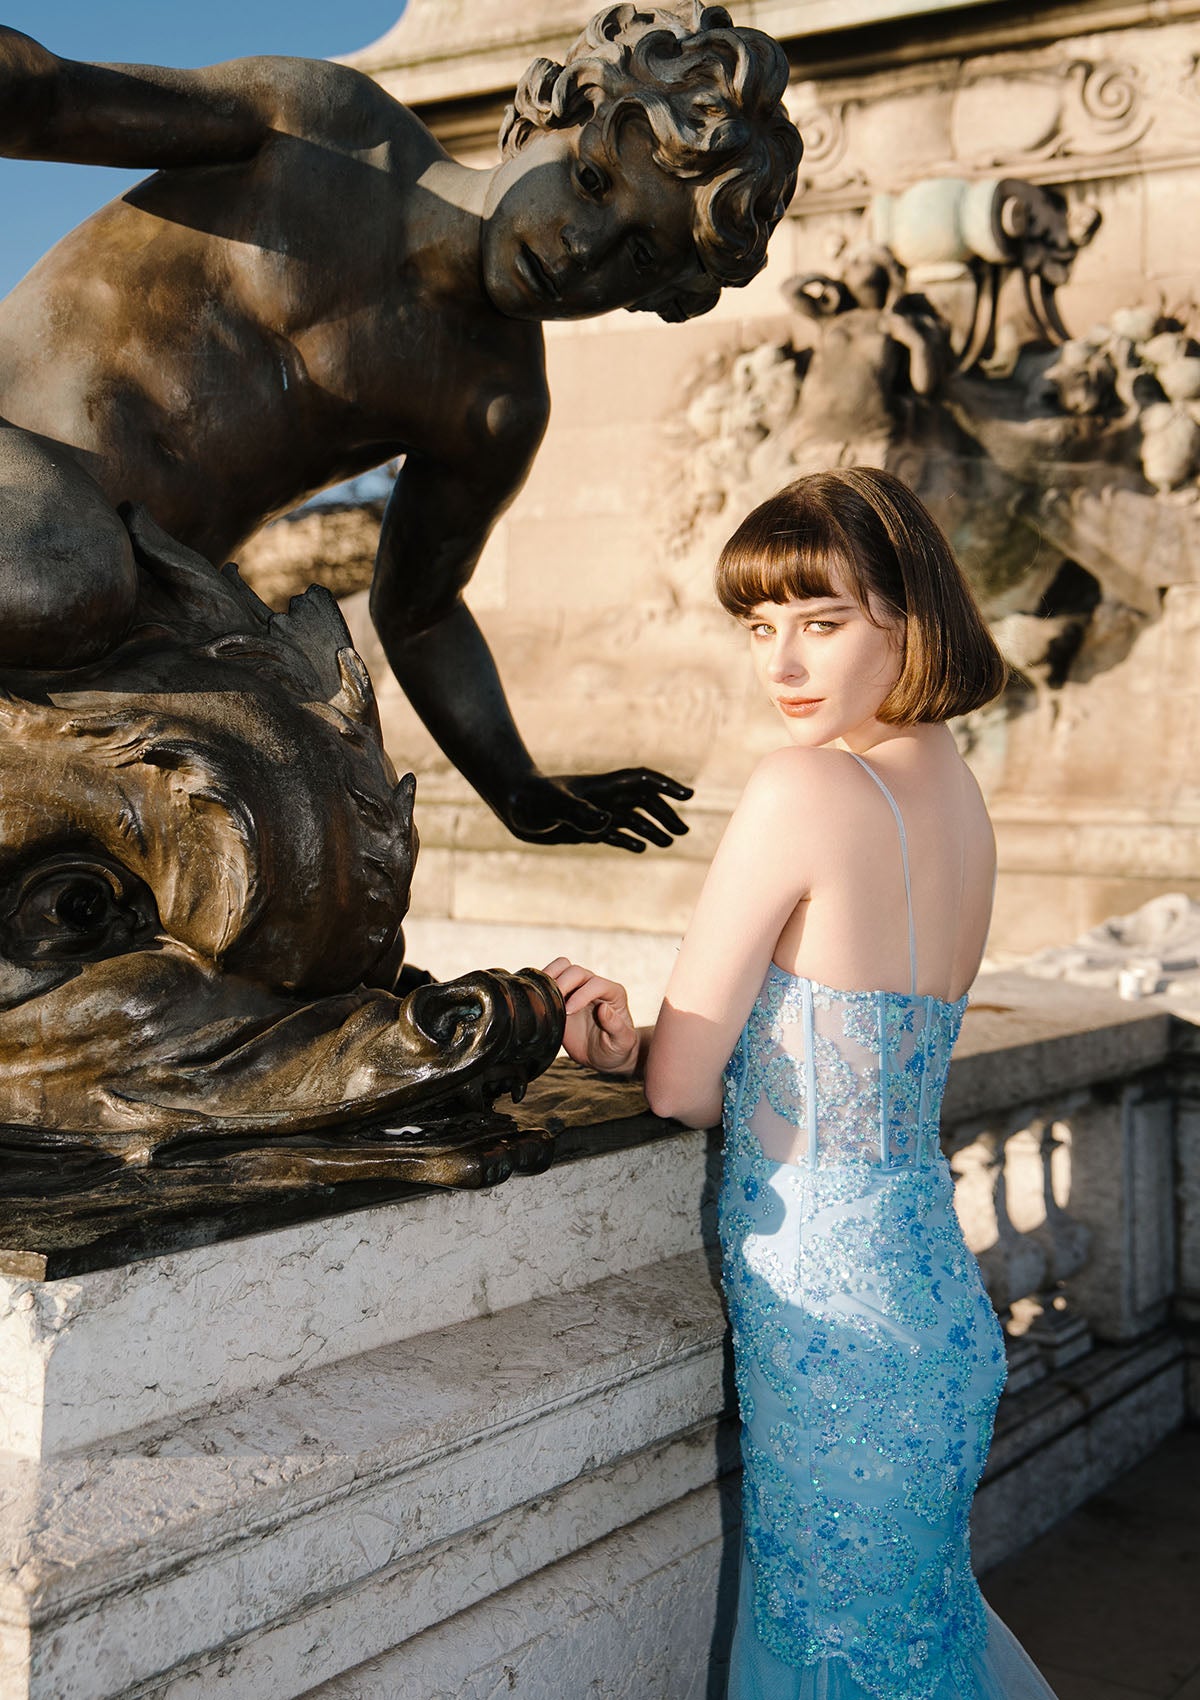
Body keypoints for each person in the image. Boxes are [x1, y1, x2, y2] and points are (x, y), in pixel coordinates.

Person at [0, 4, 800, 853]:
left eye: (639, 255)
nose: (582, 247)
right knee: (68, 580)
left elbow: (420, 614)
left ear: (659, 294)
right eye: (592, 181)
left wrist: (517, 783)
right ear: (553, 117)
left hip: (136, 607)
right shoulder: (332, 128)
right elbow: (52, 101)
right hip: (30, 486)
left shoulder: (493, 407)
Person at [546, 467, 1059, 1697]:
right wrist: (655, 1045)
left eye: (822, 621)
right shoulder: (959, 794)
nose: (782, 661)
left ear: (911, 618)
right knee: (913, 1639)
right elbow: (839, 1064)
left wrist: (631, 1045)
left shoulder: (804, 786)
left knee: (838, 1653)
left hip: (833, 1324)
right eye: (759, 624)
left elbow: (683, 1089)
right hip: (934, 1303)